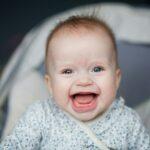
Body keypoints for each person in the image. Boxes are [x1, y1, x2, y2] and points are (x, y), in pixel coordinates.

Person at [0, 15, 149, 149]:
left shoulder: (126, 120)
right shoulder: (41, 116)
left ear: (116, 80)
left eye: (97, 69)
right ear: (50, 85)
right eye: (68, 71)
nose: (84, 80)